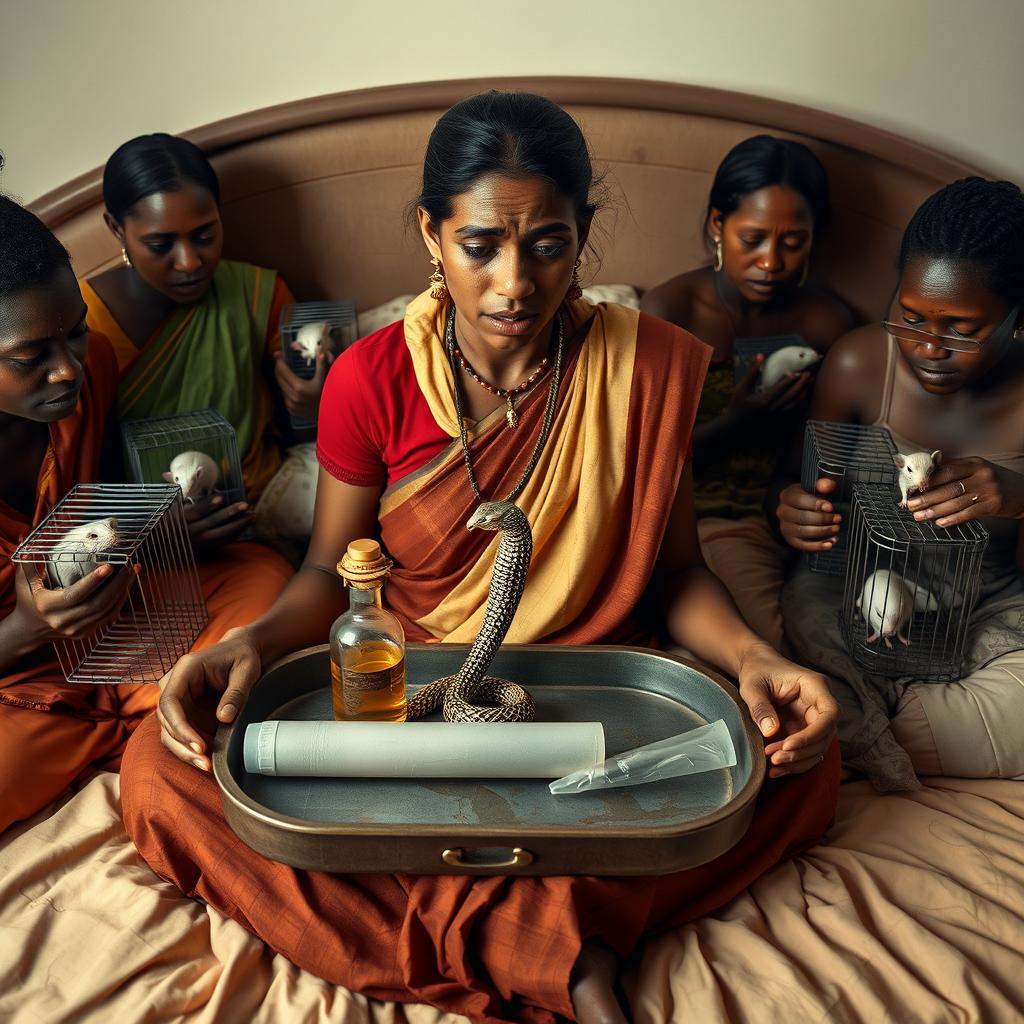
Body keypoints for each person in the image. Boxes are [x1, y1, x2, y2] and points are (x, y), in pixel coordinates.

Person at [120, 92, 840, 1024]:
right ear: (432, 234)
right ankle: (565, 944)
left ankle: (483, 927)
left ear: (582, 237)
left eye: (547, 246)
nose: (514, 284)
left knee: (803, 764)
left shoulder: (650, 364)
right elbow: (329, 573)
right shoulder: (369, 377)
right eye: (480, 247)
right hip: (412, 691)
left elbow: (677, 576)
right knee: (158, 773)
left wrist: (759, 661)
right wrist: (250, 644)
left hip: (587, 691)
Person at [0, 193, 293, 832]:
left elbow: (103, 504)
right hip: (14, 674)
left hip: (120, 620)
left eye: (74, 331)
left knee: (263, 581)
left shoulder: (97, 365)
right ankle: (156, 727)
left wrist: (158, 528)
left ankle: (164, 717)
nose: (67, 370)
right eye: (30, 359)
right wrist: (25, 630)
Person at [772, 177, 1024, 792]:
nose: (928, 348)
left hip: (984, 601)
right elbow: (801, 489)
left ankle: (868, 734)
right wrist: (792, 513)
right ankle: (893, 743)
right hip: (852, 586)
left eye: (961, 329)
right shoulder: (861, 363)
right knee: (805, 629)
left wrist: (1017, 495)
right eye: (909, 318)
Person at [642, 136, 856, 650]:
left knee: (772, 640)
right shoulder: (671, 311)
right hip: (683, 517)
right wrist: (736, 423)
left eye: (792, 241)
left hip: (772, 518)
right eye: (753, 238)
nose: (771, 261)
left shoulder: (827, 323)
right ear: (719, 225)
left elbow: (836, 447)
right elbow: (644, 458)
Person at [80, 133, 325, 547]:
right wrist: (153, 532)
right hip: (137, 543)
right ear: (116, 229)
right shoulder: (82, 325)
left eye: (205, 235)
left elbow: (307, 439)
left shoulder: (257, 295)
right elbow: (80, 477)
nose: (190, 262)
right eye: (160, 244)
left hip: (251, 521)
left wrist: (317, 403)